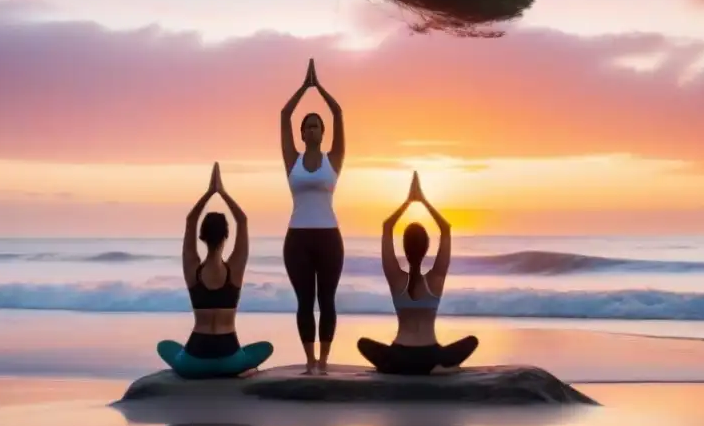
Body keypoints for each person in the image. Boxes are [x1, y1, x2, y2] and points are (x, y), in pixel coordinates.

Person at [156, 163, 274, 378]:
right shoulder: (235, 270)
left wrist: (209, 192)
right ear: (226, 236)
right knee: (266, 348)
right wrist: (223, 192)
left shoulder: (193, 270)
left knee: (165, 347)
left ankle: (195, 365)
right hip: (230, 360)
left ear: (202, 236)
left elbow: (190, 220)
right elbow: (243, 220)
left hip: (194, 361)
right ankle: (239, 367)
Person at [357, 172, 478, 375]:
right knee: (472, 341)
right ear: (427, 247)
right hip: (431, 357)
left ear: (404, 248)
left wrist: (408, 201)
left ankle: (391, 367)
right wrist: (422, 200)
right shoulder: (436, 279)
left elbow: (387, 227)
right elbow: (446, 229)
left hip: (399, 356)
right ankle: (439, 368)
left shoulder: (396, 278)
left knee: (363, 343)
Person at [280, 58, 346, 375]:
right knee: (305, 301)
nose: (312, 129)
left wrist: (319, 88)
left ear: (323, 131)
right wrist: (303, 88)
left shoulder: (333, 160)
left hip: (328, 236)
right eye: (307, 126)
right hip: (298, 238)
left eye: (316, 125)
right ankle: (309, 362)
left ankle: (324, 360)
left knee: (327, 300)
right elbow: (283, 115)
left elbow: (339, 113)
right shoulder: (291, 159)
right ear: (302, 133)